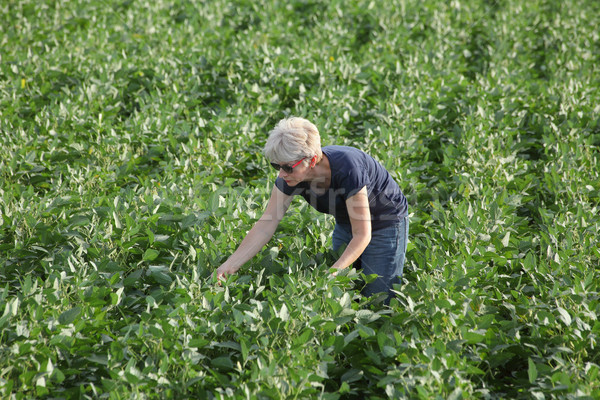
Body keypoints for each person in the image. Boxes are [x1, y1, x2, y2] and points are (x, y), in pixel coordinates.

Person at [216, 117, 409, 303]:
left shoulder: (348, 168)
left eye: (288, 167)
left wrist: (334, 272)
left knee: (377, 296)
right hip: (347, 221)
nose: (281, 174)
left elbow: (362, 234)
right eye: (276, 166)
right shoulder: (291, 177)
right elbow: (266, 224)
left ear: (313, 159)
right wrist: (231, 264)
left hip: (385, 222)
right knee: (346, 291)